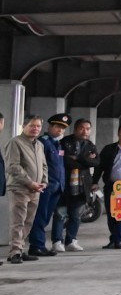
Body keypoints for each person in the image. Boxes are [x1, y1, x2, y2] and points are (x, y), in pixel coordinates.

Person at [5, 115, 48, 263]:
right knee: (18, 221)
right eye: (32, 125)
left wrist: (44, 182)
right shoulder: (15, 143)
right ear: (24, 126)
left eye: (38, 126)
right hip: (20, 188)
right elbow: (13, 166)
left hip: (35, 189)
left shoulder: (39, 145)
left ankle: (21, 248)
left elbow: (43, 165)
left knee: (28, 221)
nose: (35, 128)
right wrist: (29, 183)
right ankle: (14, 252)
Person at [55, 117, 98, 251]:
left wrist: (78, 158)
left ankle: (71, 240)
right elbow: (64, 161)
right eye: (81, 128)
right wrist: (85, 161)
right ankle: (57, 241)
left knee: (76, 215)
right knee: (60, 213)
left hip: (82, 185)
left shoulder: (90, 145)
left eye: (87, 129)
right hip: (65, 183)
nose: (85, 131)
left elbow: (96, 162)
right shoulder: (64, 142)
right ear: (75, 129)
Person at [27, 113, 66, 257]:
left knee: (46, 217)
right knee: (40, 216)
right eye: (57, 127)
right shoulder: (43, 142)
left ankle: (40, 244)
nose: (60, 130)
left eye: (62, 128)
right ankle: (36, 245)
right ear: (49, 127)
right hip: (46, 186)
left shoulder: (58, 143)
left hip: (56, 187)